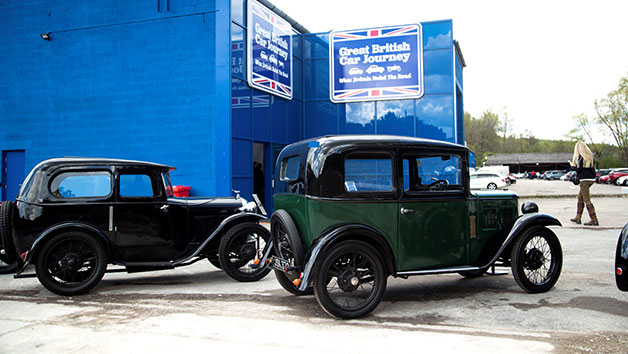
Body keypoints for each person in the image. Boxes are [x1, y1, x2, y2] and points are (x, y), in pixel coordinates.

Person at [569, 141, 598, 226]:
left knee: (586, 199)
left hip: (584, 180)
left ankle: (594, 219)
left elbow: (579, 170)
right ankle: (578, 217)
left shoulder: (580, 157)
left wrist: (573, 166)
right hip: (591, 179)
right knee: (580, 198)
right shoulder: (590, 157)